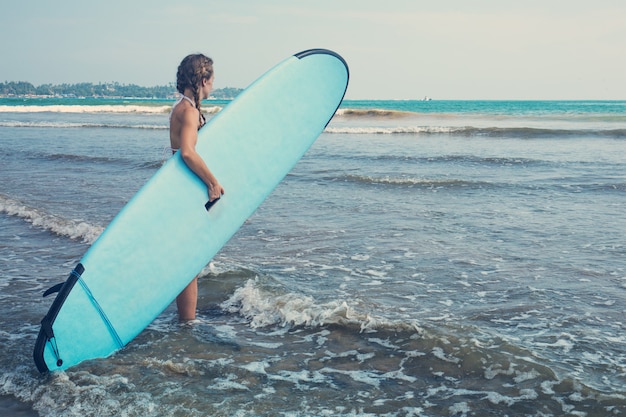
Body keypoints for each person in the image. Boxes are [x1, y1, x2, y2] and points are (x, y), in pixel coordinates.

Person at [169, 53, 225, 321]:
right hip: (187, 191)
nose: (213, 87)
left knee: (187, 259)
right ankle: (187, 324)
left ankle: (186, 320)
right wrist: (213, 183)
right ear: (203, 80)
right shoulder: (190, 112)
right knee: (189, 262)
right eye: (212, 81)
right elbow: (187, 153)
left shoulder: (181, 107)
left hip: (181, 189)